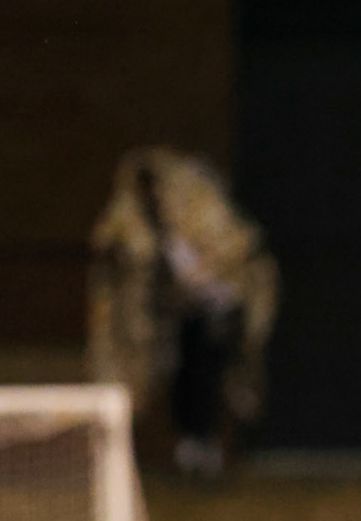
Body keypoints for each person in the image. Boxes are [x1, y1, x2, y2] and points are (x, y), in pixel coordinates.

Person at [87, 146, 278, 476]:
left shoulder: (199, 214)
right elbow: (118, 259)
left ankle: (212, 445)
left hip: (214, 310)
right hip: (170, 317)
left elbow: (235, 255)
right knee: (167, 375)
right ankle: (182, 445)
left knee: (213, 372)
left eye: (157, 186)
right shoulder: (137, 229)